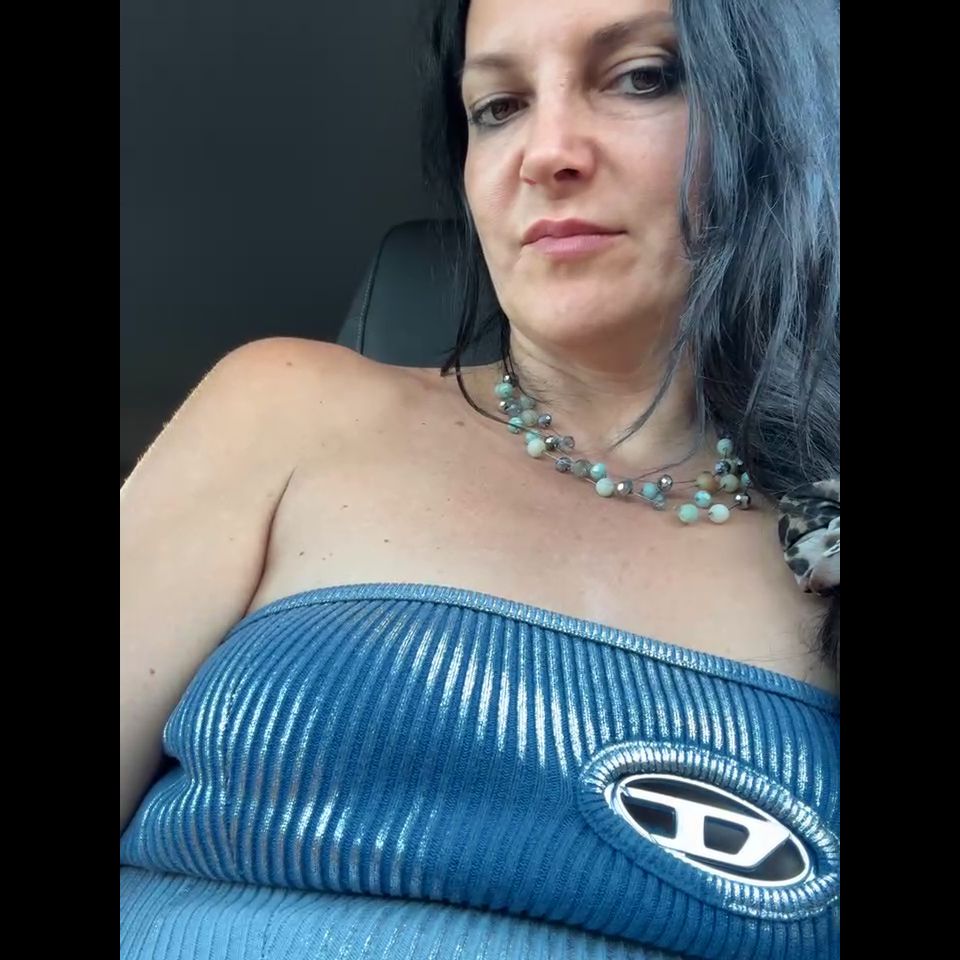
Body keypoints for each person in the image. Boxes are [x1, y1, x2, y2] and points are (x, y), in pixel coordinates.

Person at [120, 0, 840, 956]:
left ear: (783, 122)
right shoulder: (286, 410)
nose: (546, 153)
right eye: (498, 106)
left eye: (643, 78)